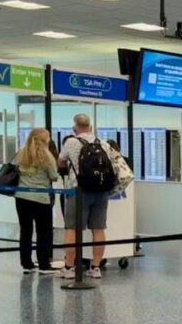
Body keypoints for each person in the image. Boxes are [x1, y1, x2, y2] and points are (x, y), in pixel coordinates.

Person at [57, 114, 112, 280]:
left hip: (79, 191)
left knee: (72, 228)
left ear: (74, 128)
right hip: (101, 191)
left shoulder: (71, 142)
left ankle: (69, 267)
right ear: (91, 127)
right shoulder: (103, 143)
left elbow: (60, 162)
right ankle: (95, 268)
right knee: (98, 228)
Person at [15, 128, 59, 275]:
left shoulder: (21, 152)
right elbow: (54, 176)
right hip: (41, 198)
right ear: (46, 140)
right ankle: (44, 265)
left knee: (25, 230)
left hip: (21, 197)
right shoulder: (47, 156)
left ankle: (26, 264)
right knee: (43, 232)